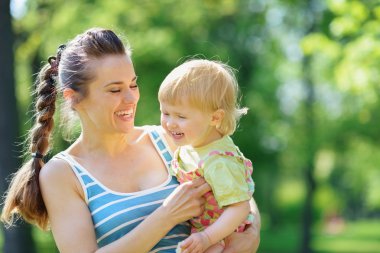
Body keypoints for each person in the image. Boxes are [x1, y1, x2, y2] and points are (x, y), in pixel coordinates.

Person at [1, 27, 260, 253]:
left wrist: (252, 233)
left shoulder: (169, 139)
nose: (130, 98)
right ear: (73, 97)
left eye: (133, 85)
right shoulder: (62, 174)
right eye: (115, 90)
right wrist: (166, 216)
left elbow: (234, 186)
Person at [158, 59, 255, 253]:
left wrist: (207, 237)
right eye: (165, 112)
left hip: (221, 232)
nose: (170, 123)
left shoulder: (219, 161)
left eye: (181, 116)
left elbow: (240, 207)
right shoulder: (192, 143)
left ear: (215, 117)